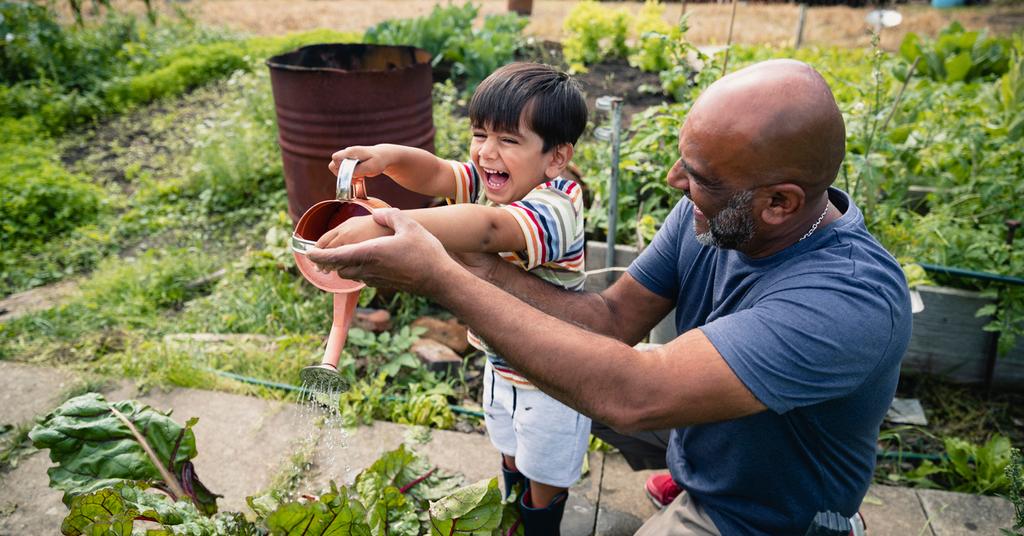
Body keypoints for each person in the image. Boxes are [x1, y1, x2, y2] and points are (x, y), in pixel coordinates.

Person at [308, 59, 913, 535]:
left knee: (591, 399)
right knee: (564, 392)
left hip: (761, 515)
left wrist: (437, 272)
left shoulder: (846, 300)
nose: (676, 182)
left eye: (699, 177)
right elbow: (610, 320)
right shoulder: (712, 214)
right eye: (685, 160)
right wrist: (449, 253)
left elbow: (634, 393)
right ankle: (686, 468)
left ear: (779, 202)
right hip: (698, 429)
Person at [319, 62, 589, 534]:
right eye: (480, 134)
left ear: (556, 157)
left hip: (555, 379)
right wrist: (386, 157)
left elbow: (488, 229)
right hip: (501, 363)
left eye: (508, 140)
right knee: (509, 452)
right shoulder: (497, 181)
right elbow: (440, 174)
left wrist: (389, 224)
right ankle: (511, 518)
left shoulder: (556, 207)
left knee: (544, 477)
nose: (487, 152)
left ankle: (539, 526)